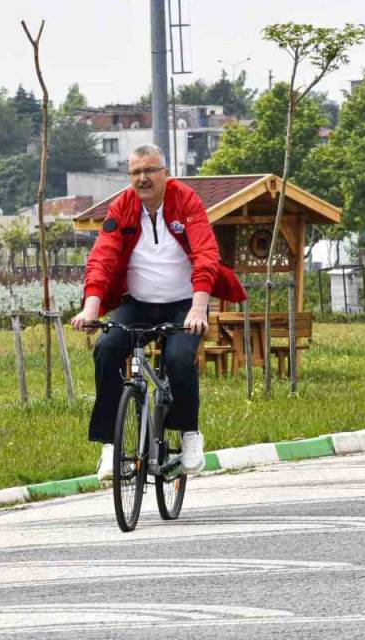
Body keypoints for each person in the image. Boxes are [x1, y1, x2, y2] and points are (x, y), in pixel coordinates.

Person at [70, 144, 244, 480]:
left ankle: (190, 435)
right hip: (136, 303)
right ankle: (110, 445)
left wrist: (198, 307)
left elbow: (206, 254)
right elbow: (102, 256)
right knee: (106, 349)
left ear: (164, 172)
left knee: (179, 359)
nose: (143, 178)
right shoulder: (122, 206)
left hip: (183, 305)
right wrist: (90, 308)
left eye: (150, 170)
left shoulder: (185, 201)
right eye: (136, 172)